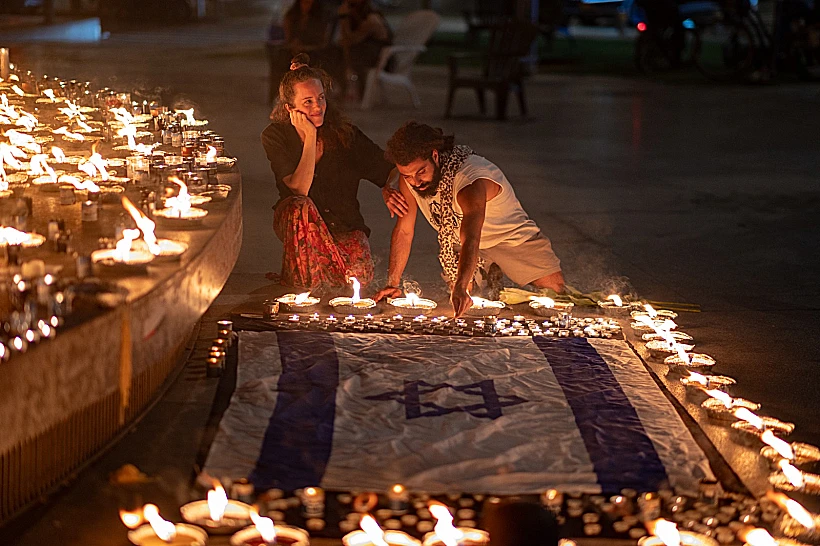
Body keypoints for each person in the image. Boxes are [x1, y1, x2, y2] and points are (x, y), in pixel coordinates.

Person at [375, 121, 565, 318]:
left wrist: (460, 284)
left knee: (558, 298)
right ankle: (486, 277)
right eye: (408, 176)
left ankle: (492, 272)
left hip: (511, 239)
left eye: (421, 172)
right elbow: (405, 231)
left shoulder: (470, 181)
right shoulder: (410, 181)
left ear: (434, 155)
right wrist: (393, 283)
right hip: (459, 244)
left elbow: (471, 238)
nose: (416, 182)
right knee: (467, 307)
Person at [262, 54, 405, 290]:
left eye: (320, 98)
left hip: (344, 223)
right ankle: (303, 285)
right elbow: (299, 189)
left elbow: (389, 168)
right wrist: (310, 137)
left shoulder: (344, 134)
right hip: (297, 222)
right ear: (290, 108)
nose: (318, 107)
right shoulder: (275, 136)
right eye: (307, 102)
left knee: (356, 282)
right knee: (300, 206)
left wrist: (388, 187)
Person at [267, 0, 332, 106]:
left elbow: (322, 39)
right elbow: (288, 37)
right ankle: (278, 94)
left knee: (311, 60)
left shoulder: (321, 16)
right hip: (294, 48)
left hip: (313, 49)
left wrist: (305, 46)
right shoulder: (293, 14)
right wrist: (293, 44)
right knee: (281, 58)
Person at [334, 0, 392, 99]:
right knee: (336, 51)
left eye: (351, 6)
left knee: (339, 53)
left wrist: (344, 17)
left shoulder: (371, 19)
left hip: (382, 60)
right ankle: (344, 88)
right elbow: (346, 39)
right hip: (365, 56)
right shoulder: (359, 19)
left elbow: (350, 40)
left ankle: (346, 89)